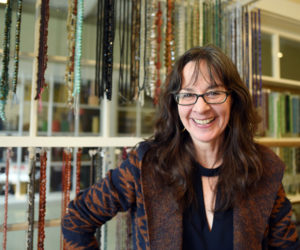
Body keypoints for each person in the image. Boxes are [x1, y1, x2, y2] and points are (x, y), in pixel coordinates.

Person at [62, 45, 299, 249]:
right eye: (188, 94)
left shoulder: (265, 168)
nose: (201, 107)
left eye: (214, 92)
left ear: (233, 99)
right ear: (175, 104)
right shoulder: (146, 164)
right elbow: (76, 220)